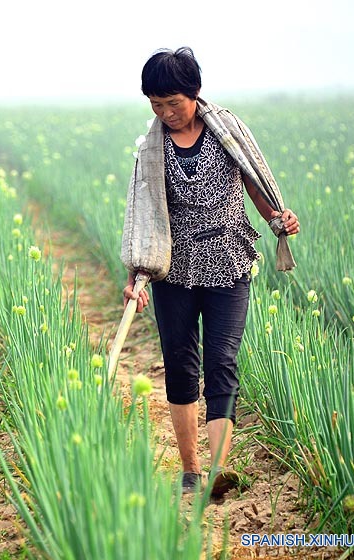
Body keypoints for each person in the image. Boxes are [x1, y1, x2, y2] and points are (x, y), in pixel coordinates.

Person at [120, 48, 300, 497]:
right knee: (181, 367)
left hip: (229, 265)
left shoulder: (227, 132)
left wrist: (278, 217)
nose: (166, 113)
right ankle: (190, 468)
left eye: (173, 103)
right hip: (174, 274)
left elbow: (255, 183)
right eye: (156, 105)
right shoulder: (151, 149)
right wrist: (136, 275)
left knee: (222, 363)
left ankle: (218, 471)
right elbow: (144, 215)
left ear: (195, 94)